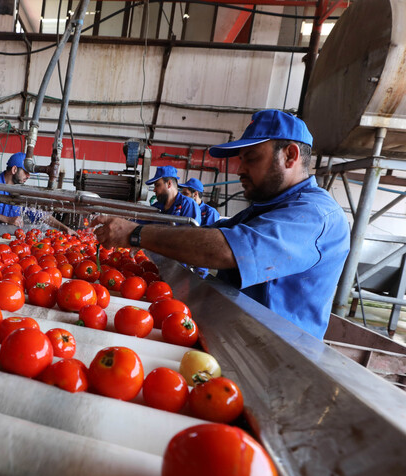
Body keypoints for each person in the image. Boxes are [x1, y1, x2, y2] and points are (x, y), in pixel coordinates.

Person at [94, 109, 350, 339]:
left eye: (251, 158)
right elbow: (209, 235)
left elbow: (225, 249)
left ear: (290, 155)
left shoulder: (316, 215)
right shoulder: (267, 208)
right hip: (240, 336)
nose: (239, 169)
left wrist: (135, 234)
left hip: (275, 357)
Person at [0, 152, 75, 234]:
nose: (28, 176)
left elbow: (41, 215)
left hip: (1, 239)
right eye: (26, 172)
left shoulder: (21, 192)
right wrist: (7, 219)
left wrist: (65, 229)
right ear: (14, 169)